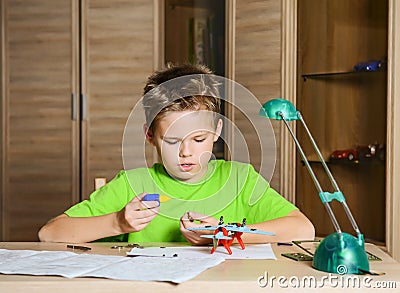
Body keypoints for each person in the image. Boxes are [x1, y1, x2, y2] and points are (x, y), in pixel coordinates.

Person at [38, 63, 315, 244]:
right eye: (171, 141)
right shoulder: (131, 184)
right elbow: (49, 233)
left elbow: (303, 230)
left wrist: (223, 233)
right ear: (150, 136)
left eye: (198, 138)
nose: (185, 152)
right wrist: (118, 221)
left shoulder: (240, 179)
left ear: (217, 130)